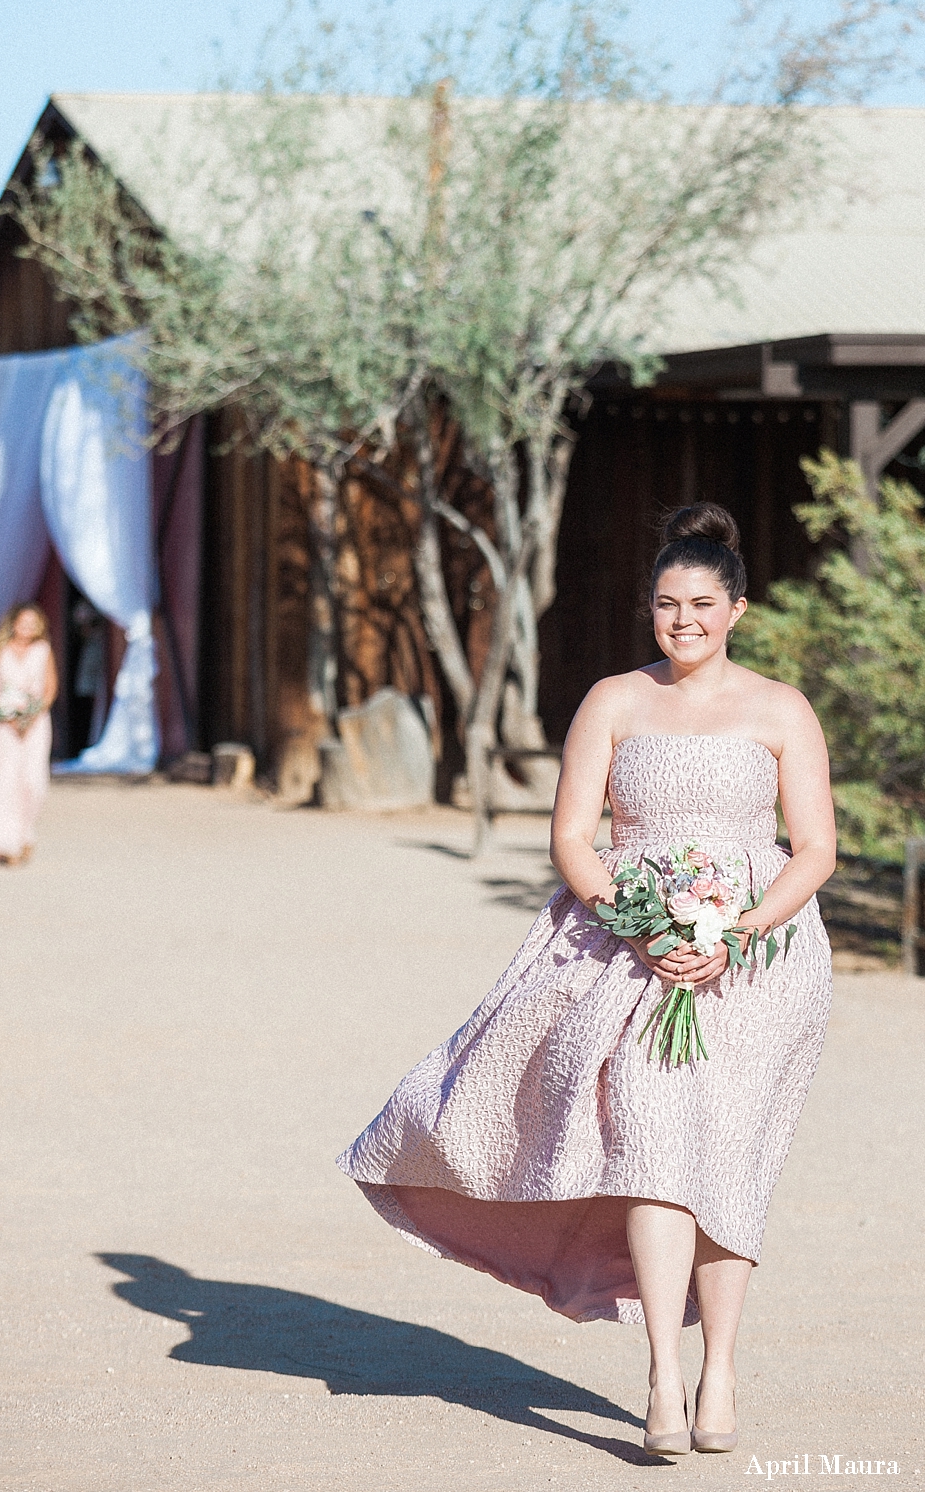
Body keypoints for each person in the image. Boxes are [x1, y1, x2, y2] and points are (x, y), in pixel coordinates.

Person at [337, 503, 835, 1456]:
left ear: (736, 608)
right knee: (648, 1145)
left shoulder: (780, 709)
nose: (680, 620)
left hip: (759, 962)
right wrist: (640, 924)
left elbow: (814, 848)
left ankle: (719, 1371)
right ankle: (659, 1371)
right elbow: (571, 836)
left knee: (727, 1157)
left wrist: (735, 929)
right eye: (664, 604)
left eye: (699, 604)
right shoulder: (613, 699)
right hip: (627, 949)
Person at [0, 604, 58, 866]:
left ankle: (25, 833)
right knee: (3, 783)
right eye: (23, 621)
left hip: (36, 724)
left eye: (33, 622)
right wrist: (5, 712)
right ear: (13, 623)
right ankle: (2, 842)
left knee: (33, 782)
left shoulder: (43, 651)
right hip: (3, 725)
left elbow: (50, 689)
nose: (27, 627)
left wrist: (31, 715)